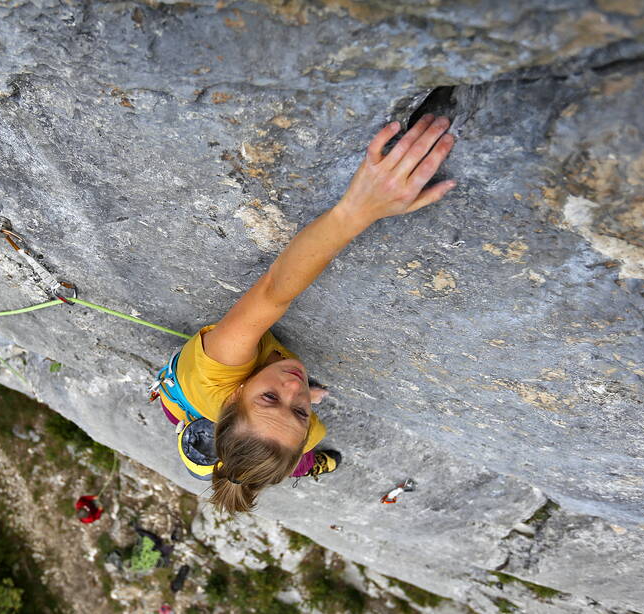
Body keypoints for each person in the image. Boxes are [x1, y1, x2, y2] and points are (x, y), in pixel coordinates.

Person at [156, 114, 457, 514]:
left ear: (234, 395)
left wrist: (356, 210)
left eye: (269, 397)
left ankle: (299, 465)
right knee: (288, 460)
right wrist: (280, 406)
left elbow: (274, 291)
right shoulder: (306, 433)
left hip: (180, 394)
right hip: (220, 415)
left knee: (287, 459)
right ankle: (299, 464)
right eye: (299, 409)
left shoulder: (221, 364)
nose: (294, 389)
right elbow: (282, 421)